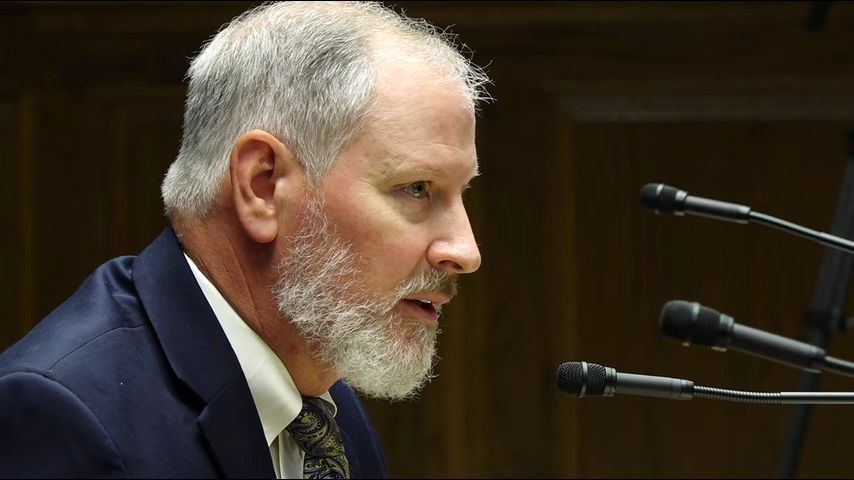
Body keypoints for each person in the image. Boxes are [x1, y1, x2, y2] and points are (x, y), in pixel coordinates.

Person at [0, 1, 491, 478]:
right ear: (263, 187)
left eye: (460, 192)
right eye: (417, 188)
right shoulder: (63, 416)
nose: (466, 252)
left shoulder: (322, 401)